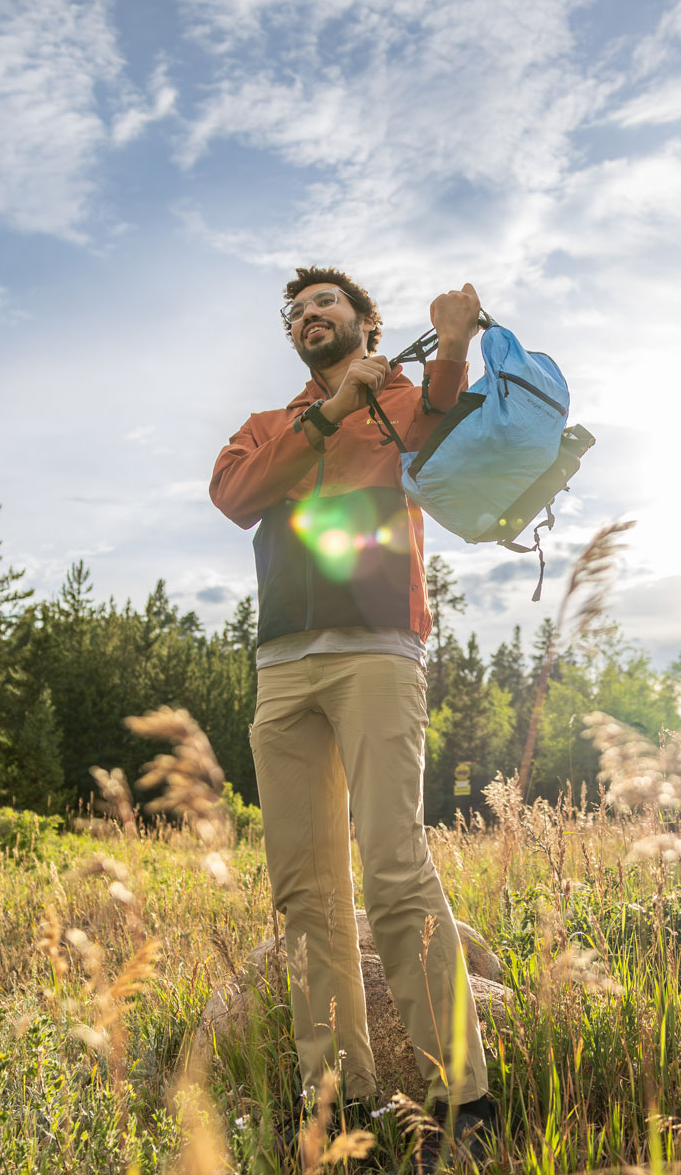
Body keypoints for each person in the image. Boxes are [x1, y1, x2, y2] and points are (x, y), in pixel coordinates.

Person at [209, 265, 495, 1161]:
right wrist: (328, 414)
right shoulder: (270, 426)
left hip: (376, 646)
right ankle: (340, 1101)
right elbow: (235, 496)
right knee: (306, 891)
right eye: (295, 313)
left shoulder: (404, 401)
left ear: (367, 324)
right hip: (280, 667)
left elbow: (445, 433)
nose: (307, 317)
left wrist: (451, 345)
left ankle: (467, 1101)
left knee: (395, 863)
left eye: (324, 305)